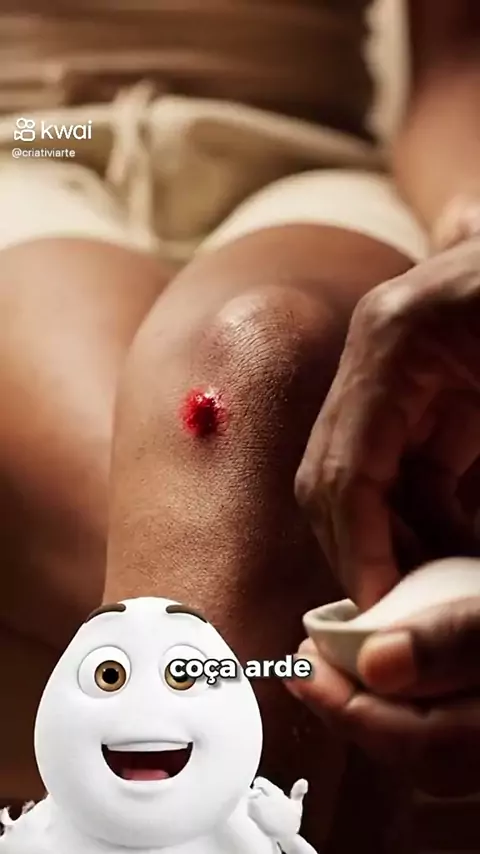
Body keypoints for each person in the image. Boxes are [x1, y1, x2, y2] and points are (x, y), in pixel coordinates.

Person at [1, 1, 478, 850]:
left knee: (259, 359)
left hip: (304, 155)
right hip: (28, 144)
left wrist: (470, 219)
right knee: (223, 488)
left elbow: (457, 59)